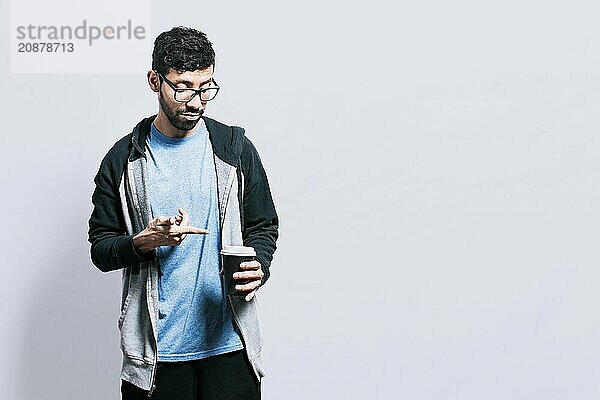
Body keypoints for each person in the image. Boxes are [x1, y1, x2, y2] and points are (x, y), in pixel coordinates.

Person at [87, 26, 278, 400]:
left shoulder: (234, 149)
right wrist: (143, 241)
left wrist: (260, 264)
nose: (197, 101)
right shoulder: (123, 160)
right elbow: (101, 249)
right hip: (155, 357)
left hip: (230, 348)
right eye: (184, 87)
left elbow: (263, 225)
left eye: (207, 87)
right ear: (154, 80)